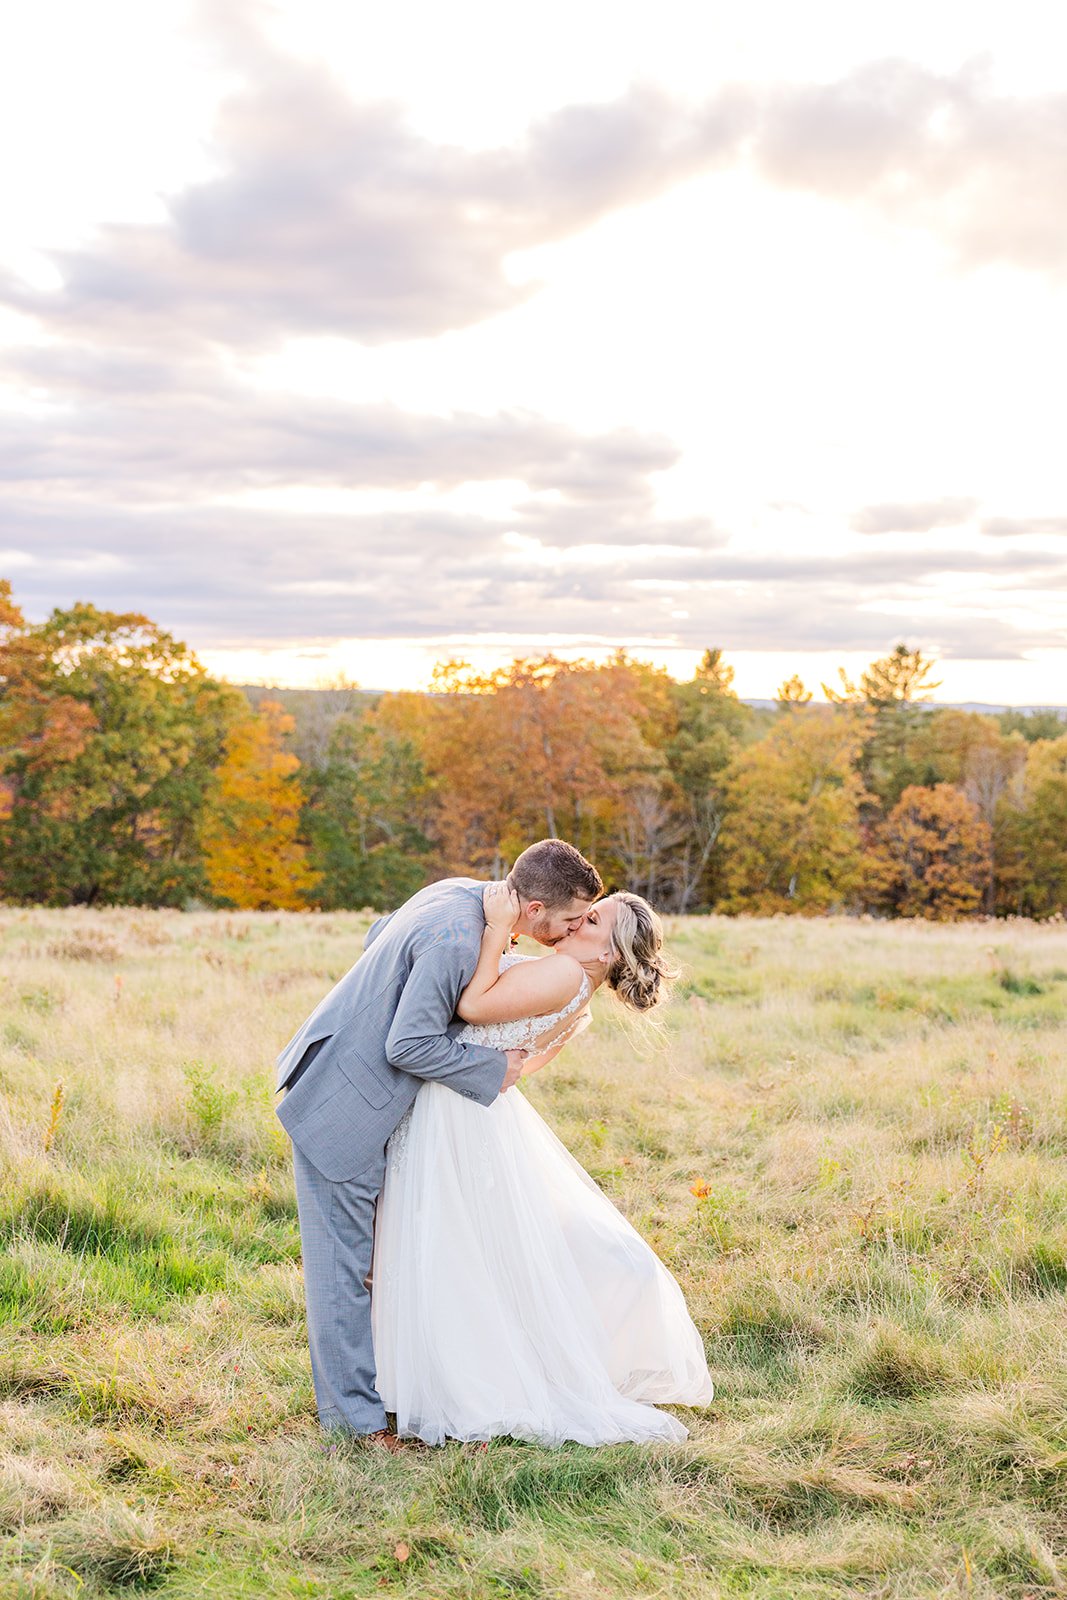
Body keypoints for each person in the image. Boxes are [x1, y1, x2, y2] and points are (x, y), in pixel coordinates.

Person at [275, 839, 602, 1447]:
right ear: (532, 910)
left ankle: (384, 1391)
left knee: (375, 1259)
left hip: (341, 1071)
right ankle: (357, 1427)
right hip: (341, 1101)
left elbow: (380, 935)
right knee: (344, 1269)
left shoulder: (459, 894)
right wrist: (495, 1069)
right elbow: (406, 1046)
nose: (575, 931)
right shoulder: (459, 939)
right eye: (568, 921)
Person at [371, 882, 714, 1446]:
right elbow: (520, 1066)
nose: (576, 924)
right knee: (470, 1241)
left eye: (593, 923)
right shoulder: (577, 991)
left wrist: (493, 931)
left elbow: (472, 1006)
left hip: (455, 1107)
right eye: (584, 915)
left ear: (608, 953)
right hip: (477, 1105)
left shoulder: (564, 976)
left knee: (450, 1240)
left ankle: (453, 1377)